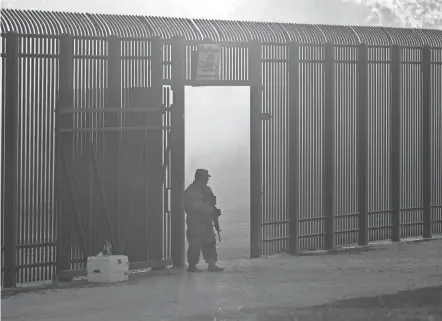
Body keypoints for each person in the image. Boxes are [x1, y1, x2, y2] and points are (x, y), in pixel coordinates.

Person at [183, 169, 224, 272]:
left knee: (210, 242)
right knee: (195, 244)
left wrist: (215, 210)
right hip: (195, 223)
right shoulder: (191, 190)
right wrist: (209, 209)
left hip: (206, 222)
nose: (207, 180)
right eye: (205, 178)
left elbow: (212, 202)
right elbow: (194, 205)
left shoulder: (207, 189)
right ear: (200, 178)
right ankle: (192, 266)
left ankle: (212, 264)